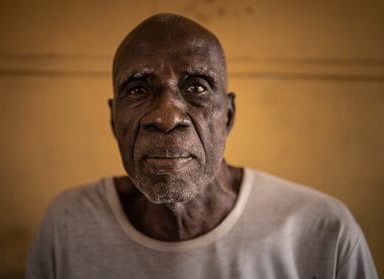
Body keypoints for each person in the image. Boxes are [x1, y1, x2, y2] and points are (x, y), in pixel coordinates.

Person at [25, 13, 378, 279]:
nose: (165, 118)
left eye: (196, 87)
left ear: (228, 115)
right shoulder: (68, 225)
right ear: (113, 120)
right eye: (137, 89)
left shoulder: (322, 232)